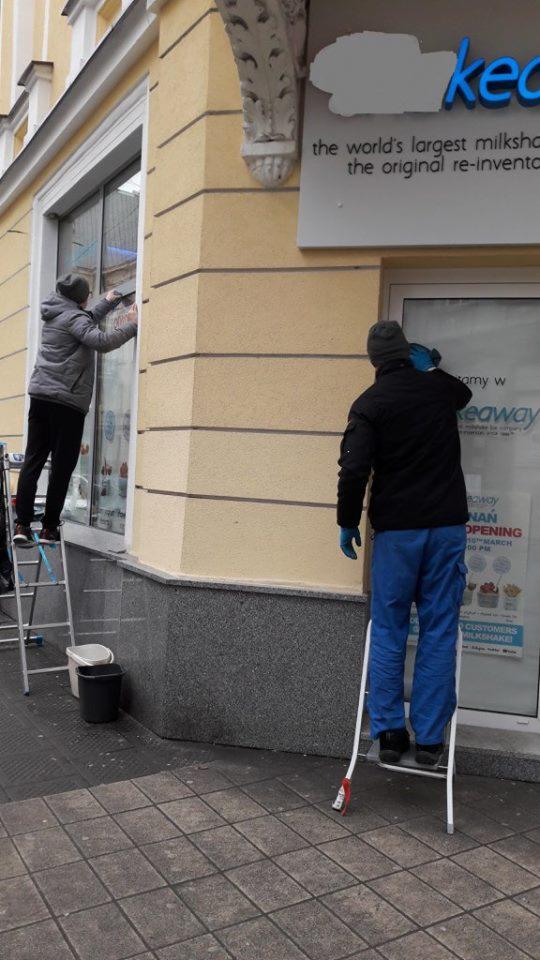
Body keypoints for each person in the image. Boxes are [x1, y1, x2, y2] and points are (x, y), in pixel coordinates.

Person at [337, 321, 472, 766]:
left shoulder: (370, 403)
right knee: (438, 629)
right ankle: (431, 740)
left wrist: (346, 522)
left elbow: (354, 469)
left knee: (391, 627)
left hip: (397, 533)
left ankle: (390, 734)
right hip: (446, 529)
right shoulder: (438, 391)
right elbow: (462, 394)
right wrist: (430, 369)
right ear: (407, 354)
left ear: (373, 360)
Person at [13, 273, 138, 546]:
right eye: (88, 295)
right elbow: (101, 341)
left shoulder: (55, 313)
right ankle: (48, 528)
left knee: (33, 461)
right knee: (62, 466)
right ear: (80, 298)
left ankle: (21, 524)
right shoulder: (75, 319)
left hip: (41, 397)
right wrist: (131, 325)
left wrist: (106, 304)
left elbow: (82, 321)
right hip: (67, 402)